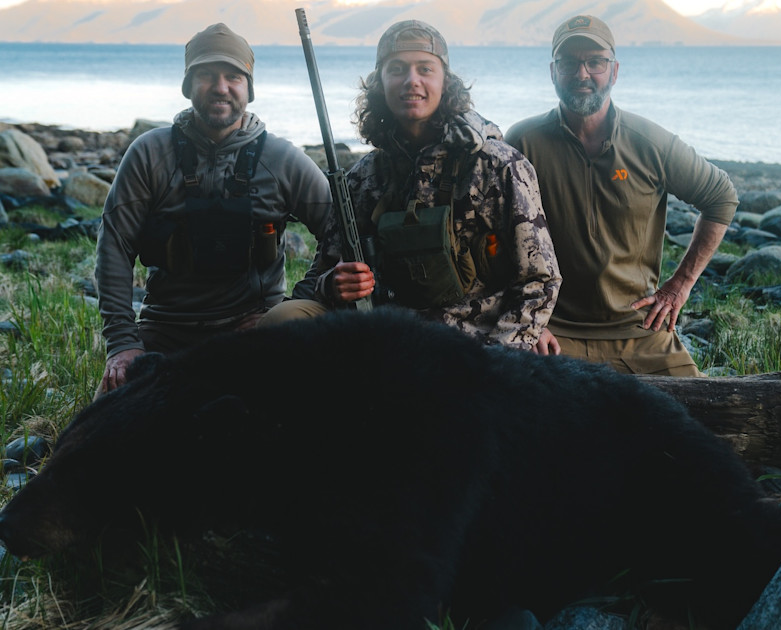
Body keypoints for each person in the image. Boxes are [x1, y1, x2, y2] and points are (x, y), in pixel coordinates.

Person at [264, 20, 560, 352]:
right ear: (380, 83)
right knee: (281, 321)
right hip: (383, 337)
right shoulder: (364, 177)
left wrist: (497, 360)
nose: (411, 81)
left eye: (425, 69)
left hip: (472, 345)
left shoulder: (496, 165)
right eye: (397, 69)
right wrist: (333, 284)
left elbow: (539, 281)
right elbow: (324, 272)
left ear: (445, 81)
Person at [94, 23, 331, 395]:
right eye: (206, 75)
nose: (220, 87)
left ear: (249, 89)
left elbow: (339, 232)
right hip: (166, 326)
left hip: (253, 326)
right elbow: (114, 246)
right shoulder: (148, 153)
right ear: (188, 86)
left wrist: (297, 299)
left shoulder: (282, 159)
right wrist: (123, 343)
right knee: (108, 430)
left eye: (233, 76)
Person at [505, 14, 739, 376]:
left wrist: (679, 286)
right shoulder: (523, 141)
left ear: (614, 71)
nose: (582, 74)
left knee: (702, 420)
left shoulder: (649, 142)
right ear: (553, 72)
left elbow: (721, 197)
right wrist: (529, 319)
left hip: (640, 330)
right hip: (553, 331)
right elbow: (494, 236)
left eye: (595, 62)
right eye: (569, 63)